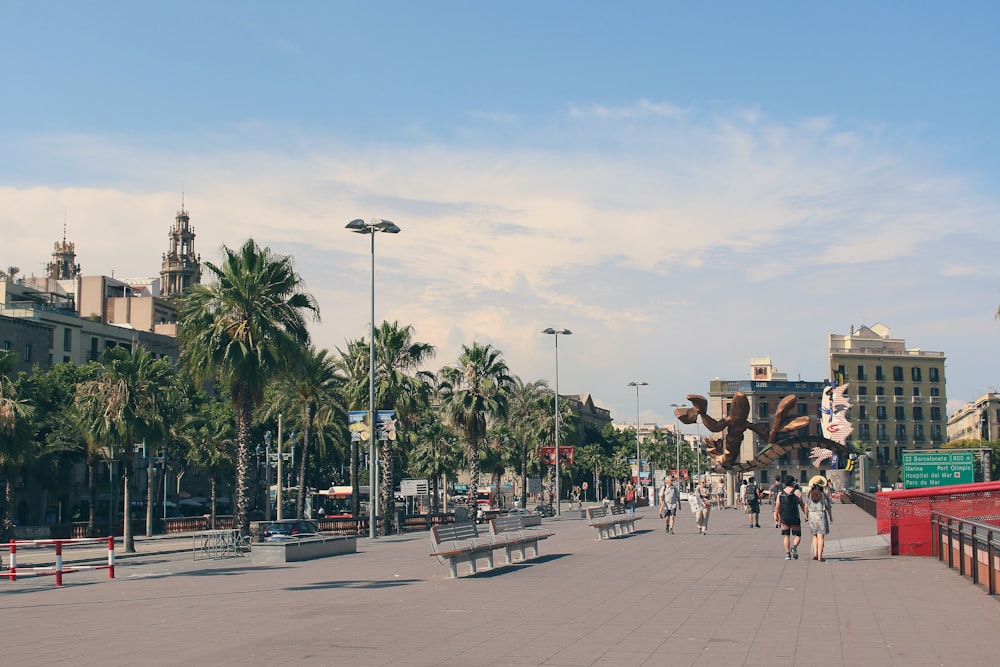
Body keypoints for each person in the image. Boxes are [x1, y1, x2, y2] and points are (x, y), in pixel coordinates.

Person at [774, 474, 806, 560]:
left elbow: (777, 507)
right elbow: (802, 505)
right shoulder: (797, 492)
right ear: (792, 483)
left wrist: (776, 516)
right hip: (795, 517)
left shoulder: (780, 493)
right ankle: (794, 546)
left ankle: (787, 554)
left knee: (786, 536)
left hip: (784, 518)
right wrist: (806, 514)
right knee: (798, 535)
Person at [806, 475, 833, 561]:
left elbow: (806, 506)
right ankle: (820, 556)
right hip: (821, 515)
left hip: (811, 515)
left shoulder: (809, 494)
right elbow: (828, 506)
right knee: (820, 537)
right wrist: (830, 516)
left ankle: (815, 553)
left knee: (814, 535)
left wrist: (806, 515)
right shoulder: (823, 495)